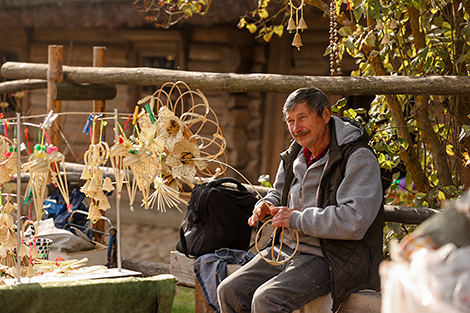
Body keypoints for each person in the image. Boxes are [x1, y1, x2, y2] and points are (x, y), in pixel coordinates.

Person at [217, 87, 384, 313]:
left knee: (267, 300)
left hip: (331, 257)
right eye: (290, 121)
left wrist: (296, 219)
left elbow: (355, 220)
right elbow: (277, 193)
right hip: (286, 248)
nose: (296, 128)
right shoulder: (295, 153)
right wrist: (265, 204)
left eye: (303, 118)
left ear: (325, 115)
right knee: (229, 291)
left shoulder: (357, 157)